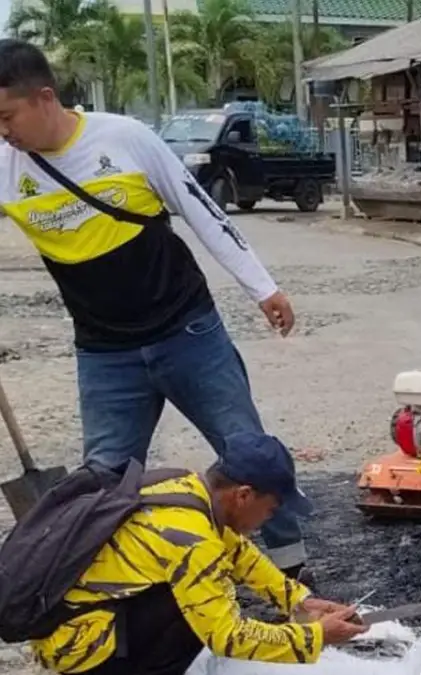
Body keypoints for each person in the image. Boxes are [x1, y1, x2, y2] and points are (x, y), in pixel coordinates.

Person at [0, 39, 311, 577]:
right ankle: (114, 596)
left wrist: (263, 287)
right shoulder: (6, 166)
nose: (3, 131)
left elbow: (202, 210)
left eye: (7, 116)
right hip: (103, 352)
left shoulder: (125, 140)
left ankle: (295, 576)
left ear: (44, 98)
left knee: (248, 455)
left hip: (187, 332)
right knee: (103, 482)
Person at [30, 433, 368, 675]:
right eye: (271, 509)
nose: (269, 519)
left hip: (77, 620)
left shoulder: (188, 487)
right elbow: (228, 637)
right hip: (79, 648)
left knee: (202, 593)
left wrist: (297, 601)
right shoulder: (192, 540)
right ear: (244, 495)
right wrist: (315, 637)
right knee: (200, 610)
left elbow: (239, 553)